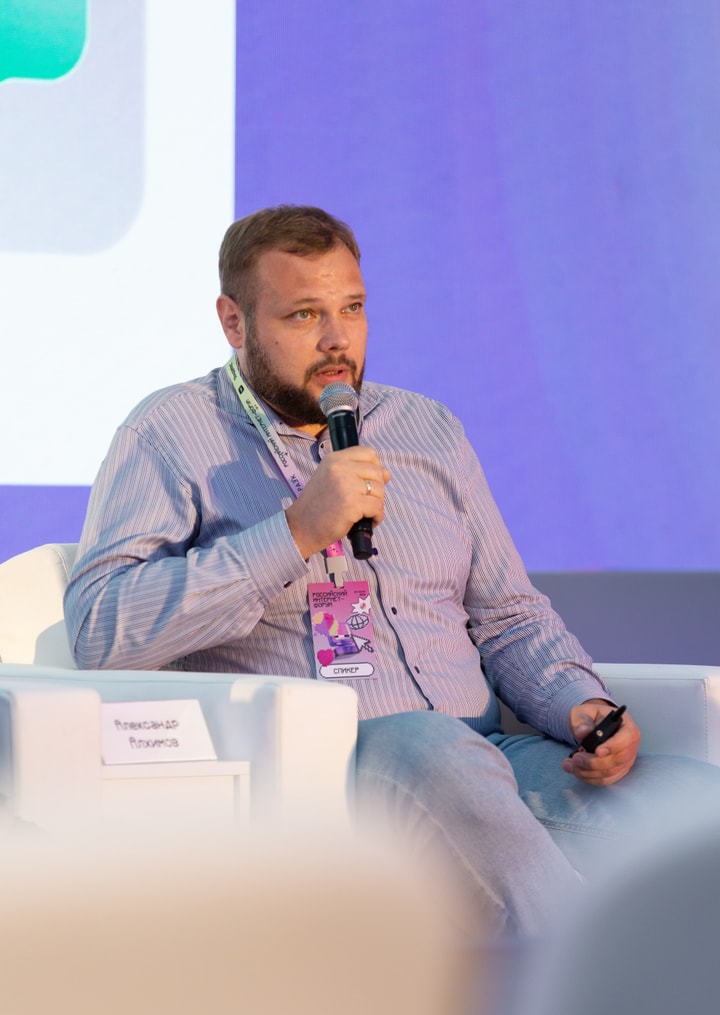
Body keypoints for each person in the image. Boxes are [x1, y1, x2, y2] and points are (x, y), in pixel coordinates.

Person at [64, 205, 720, 939]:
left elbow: (508, 614)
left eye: (352, 308)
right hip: (328, 774)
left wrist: (580, 705)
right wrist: (293, 534)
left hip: (489, 759)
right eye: (304, 314)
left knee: (698, 809)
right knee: (431, 749)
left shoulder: (426, 428)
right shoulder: (168, 433)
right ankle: (598, 990)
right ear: (233, 322)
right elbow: (100, 630)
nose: (337, 340)